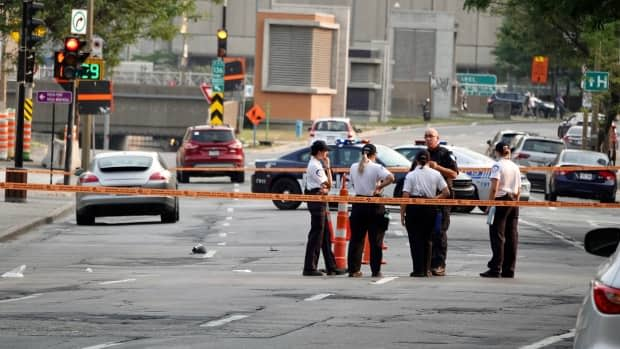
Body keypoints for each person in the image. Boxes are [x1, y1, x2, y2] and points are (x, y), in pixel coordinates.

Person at [347, 143, 395, 278]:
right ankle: (376, 270)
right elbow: (391, 178)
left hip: (358, 204)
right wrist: (379, 188)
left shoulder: (353, 167)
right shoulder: (377, 167)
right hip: (374, 204)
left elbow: (352, 183)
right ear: (375, 155)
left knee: (356, 239)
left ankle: (354, 270)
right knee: (376, 240)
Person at [400, 150, 450, 277]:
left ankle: (418, 269)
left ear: (416, 160)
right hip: (429, 208)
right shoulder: (436, 174)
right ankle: (427, 269)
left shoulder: (411, 175)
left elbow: (405, 195)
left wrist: (402, 214)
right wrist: (434, 199)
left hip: (414, 208)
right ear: (429, 160)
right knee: (428, 239)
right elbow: (446, 192)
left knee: (415, 240)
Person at [302, 140, 344, 277]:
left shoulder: (315, 164)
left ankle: (331, 266)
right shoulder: (316, 166)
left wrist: (326, 168)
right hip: (317, 199)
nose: (327, 154)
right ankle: (309, 267)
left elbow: (327, 187)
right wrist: (328, 167)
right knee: (317, 234)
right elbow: (329, 184)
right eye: (325, 151)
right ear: (320, 152)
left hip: (319, 198)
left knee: (325, 235)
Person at [480, 142, 521, 278]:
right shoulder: (515, 166)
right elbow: (519, 189)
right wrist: (516, 203)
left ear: (497, 152)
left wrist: (490, 204)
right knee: (512, 236)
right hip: (514, 201)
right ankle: (509, 269)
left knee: (497, 235)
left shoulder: (497, 165)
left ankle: (496, 268)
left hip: (501, 199)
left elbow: (494, 187)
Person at [423, 128, 458, 276]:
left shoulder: (445, 153)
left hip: (442, 197)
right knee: (427, 233)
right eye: (426, 136)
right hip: (426, 198)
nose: (428, 139)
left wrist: (438, 168)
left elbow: (454, 173)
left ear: (438, 138)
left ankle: (439, 265)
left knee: (440, 232)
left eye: (431, 136)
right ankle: (427, 264)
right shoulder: (423, 154)